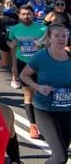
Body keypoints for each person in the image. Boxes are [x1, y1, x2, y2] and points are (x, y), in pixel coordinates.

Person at [20, 23, 71, 164]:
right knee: (61, 157)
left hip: (67, 111)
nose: (61, 39)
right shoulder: (41, 57)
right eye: (57, 35)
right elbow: (24, 75)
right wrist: (39, 87)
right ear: (49, 38)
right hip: (45, 111)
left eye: (64, 36)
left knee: (60, 155)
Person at [8, 4, 47, 138]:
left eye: (28, 14)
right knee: (29, 95)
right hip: (23, 63)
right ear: (19, 16)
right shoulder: (14, 29)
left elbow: (49, 44)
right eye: (23, 14)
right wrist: (11, 44)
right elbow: (10, 42)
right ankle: (33, 126)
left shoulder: (42, 29)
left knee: (41, 94)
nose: (26, 17)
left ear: (33, 15)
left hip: (40, 64)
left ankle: (45, 123)